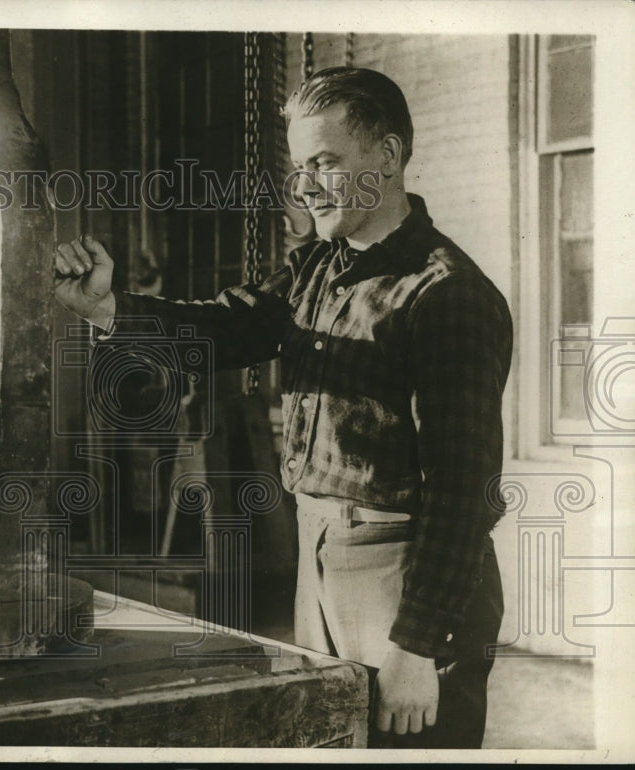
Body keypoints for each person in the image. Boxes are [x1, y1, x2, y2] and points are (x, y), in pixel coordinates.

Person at [52, 66, 511, 749]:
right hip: (319, 553)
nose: (304, 187)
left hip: (405, 578)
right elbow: (225, 327)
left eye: (324, 163)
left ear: (387, 156)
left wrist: (417, 646)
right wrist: (108, 309)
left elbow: (463, 495)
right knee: (329, 741)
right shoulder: (319, 267)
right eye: (299, 168)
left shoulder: (447, 295)